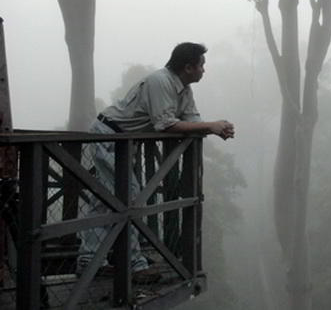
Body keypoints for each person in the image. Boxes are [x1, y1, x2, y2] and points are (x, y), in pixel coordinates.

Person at [76, 42, 234, 284]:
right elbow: (165, 124)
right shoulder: (159, 82)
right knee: (129, 195)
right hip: (108, 136)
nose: (204, 70)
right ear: (189, 67)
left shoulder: (184, 90)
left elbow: (193, 120)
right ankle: (133, 265)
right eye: (202, 65)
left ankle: (89, 260)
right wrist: (210, 126)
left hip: (123, 143)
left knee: (103, 201)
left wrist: (215, 127)